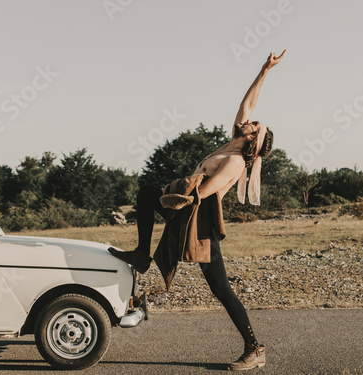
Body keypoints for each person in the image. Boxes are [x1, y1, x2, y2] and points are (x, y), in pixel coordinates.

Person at [109, 50, 286, 371]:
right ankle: (141, 255)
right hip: (187, 209)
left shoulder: (235, 162)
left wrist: (174, 198)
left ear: (253, 139)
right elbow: (247, 105)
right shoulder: (232, 143)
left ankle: (254, 348)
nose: (249, 120)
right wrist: (265, 70)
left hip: (200, 219)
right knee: (147, 192)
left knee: (220, 288)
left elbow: (204, 193)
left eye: (255, 124)